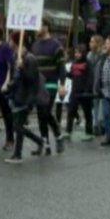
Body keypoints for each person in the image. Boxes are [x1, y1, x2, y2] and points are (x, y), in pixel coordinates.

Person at [5, 44, 46, 163]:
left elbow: (31, 79)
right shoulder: (17, 58)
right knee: (18, 126)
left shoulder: (30, 59)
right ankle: (39, 141)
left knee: (18, 126)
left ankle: (18, 155)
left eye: (15, 46)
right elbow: (16, 78)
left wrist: (22, 68)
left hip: (26, 98)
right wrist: (9, 86)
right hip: (17, 96)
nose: (14, 49)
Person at [30, 22, 66, 154]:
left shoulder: (56, 46)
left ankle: (58, 136)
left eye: (38, 26)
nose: (36, 29)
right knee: (41, 115)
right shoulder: (35, 45)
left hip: (50, 83)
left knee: (45, 112)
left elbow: (62, 67)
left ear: (46, 27)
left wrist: (62, 85)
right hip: (38, 84)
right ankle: (45, 144)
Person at [65, 44, 94, 141]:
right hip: (75, 91)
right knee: (71, 111)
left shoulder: (88, 63)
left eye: (78, 53)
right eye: (76, 52)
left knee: (87, 112)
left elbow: (90, 77)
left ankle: (89, 132)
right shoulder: (74, 63)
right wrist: (65, 72)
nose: (76, 54)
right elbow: (71, 75)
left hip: (85, 92)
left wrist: (87, 90)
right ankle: (68, 131)